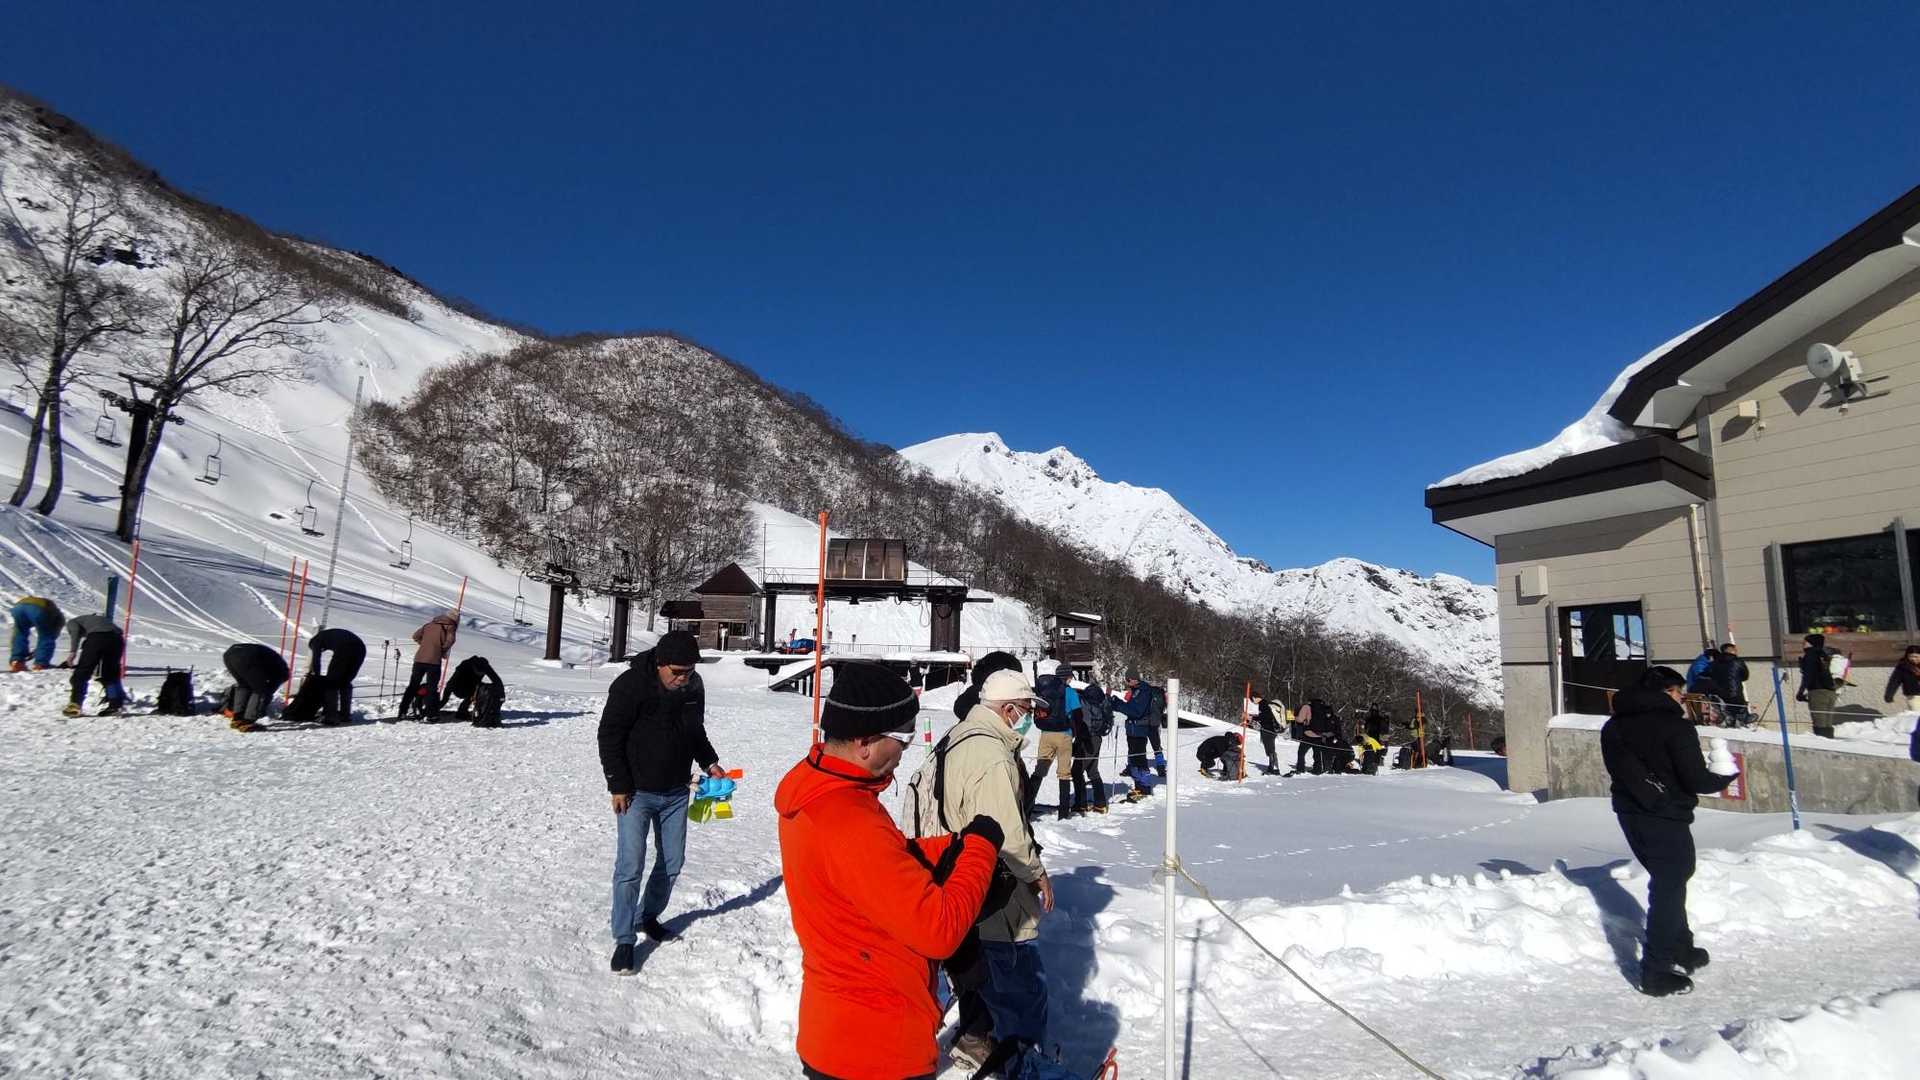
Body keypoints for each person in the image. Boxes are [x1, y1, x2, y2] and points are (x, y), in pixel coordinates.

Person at [776, 662, 1003, 1080]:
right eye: (904, 739)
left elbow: (875, 863)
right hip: (877, 1048)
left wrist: (950, 847)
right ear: (864, 742)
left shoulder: (818, 790)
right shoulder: (849, 820)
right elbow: (939, 930)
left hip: (835, 1031)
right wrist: (981, 849)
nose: (905, 751)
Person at [905, 668, 1054, 1071]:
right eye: (1026, 710)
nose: (1029, 718)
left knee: (976, 966)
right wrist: (1035, 873)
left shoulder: (959, 735)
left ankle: (975, 1037)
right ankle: (1025, 1064)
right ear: (1007, 710)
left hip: (956, 874)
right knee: (1015, 984)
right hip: (990, 882)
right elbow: (1006, 831)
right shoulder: (992, 756)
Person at [1600, 666, 1737, 997]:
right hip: (1666, 814)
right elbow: (1696, 779)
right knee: (1669, 886)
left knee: (1670, 880)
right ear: (1666, 692)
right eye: (1679, 692)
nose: (1682, 698)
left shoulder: (1614, 726)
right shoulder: (1676, 727)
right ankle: (1656, 970)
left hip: (1630, 811)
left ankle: (1681, 948)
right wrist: (1725, 776)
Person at [598, 630, 724, 972]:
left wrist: (710, 763)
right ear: (660, 663)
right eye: (678, 672)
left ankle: (648, 916)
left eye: (690, 671)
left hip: (676, 792)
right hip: (635, 793)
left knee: (672, 862)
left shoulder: (692, 687)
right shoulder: (630, 685)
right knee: (630, 866)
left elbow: (694, 731)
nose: (684, 678)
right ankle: (624, 939)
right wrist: (618, 785)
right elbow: (609, 735)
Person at [1030, 661, 1076, 819]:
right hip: (1064, 734)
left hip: (1046, 734)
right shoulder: (1069, 692)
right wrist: (1076, 733)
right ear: (1067, 677)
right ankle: (1063, 813)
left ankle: (1027, 806)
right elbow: (1077, 714)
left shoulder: (1046, 690)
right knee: (1064, 773)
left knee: (1040, 769)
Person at [62, 612, 127, 717]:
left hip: (97, 638)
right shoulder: (99, 620)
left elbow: (75, 632)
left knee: (82, 672)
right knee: (110, 674)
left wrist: (72, 653)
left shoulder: (72, 622)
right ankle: (115, 706)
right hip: (117, 639)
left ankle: (75, 704)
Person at [1112, 669, 1165, 799]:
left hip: (1140, 729)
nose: (1126, 682)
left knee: (1140, 759)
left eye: (1127, 680)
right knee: (1135, 759)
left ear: (1132, 679)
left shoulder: (1143, 691)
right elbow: (1131, 708)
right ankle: (1139, 786)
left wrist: (1117, 704)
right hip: (1132, 729)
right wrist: (1118, 702)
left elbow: (1136, 712)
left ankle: (1145, 787)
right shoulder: (1136, 691)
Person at [400, 611, 459, 720]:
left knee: (413, 685)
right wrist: (441, 651)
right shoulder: (450, 627)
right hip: (434, 662)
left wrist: (424, 644)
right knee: (432, 688)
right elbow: (450, 641)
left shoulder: (429, 625)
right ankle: (431, 715)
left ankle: (402, 711)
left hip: (419, 659)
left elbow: (415, 636)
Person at [221, 643, 289, 732]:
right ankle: (248, 722)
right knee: (261, 689)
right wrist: (267, 692)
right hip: (248, 657)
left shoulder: (274, 663)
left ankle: (238, 717)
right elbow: (266, 689)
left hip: (230, 655)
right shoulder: (281, 672)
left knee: (244, 685)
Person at [1070, 672, 1112, 814]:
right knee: (1093, 771)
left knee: (1076, 771)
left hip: (1087, 738)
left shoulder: (1083, 701)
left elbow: (1083, 721)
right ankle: (1100, 803)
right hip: (1097, 737)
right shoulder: (1101, 700)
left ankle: (1081, 803)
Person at [306, 626, 366, 725]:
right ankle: (345, 715)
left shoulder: (315, 641)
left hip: (345, 649)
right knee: (345, 682)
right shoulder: (328, 635)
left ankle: (330, 716)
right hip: (360, 649)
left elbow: (316, 659)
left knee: (331, 683)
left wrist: (317, 677)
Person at [1796, 633, 1842, 738]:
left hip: (1818, 692)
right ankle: (1829, 742)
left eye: (1806, 642)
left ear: (1812, 643)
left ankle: (1822, 744)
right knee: (1827, 722)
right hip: (1830, 691)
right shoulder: (1824, 655)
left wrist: (1801, 692)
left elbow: (1808, 675)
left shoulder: (1810, 655)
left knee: (1819, 722)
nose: (1803, 644)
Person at [9, 595, 65, 672]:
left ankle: (17, 662)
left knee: (20, 634)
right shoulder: (58, 617)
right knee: (46, 637)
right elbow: (51, 635)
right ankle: (41, 664)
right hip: (39, 608)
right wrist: (42, 649)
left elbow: (16, 634)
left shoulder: (52, 610)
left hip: (18, 607)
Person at [442, 654, 504, 723]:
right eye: (478, 672)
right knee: (474, 691)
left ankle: (481, 709)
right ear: (474, 668)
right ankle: (462, 711)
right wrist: (443, 701)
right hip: (458, 687)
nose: (480, 674)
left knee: (483, 689)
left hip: (473, 686)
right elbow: (450, 685)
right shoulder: (464, 666)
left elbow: (497, 681)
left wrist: (501, 697)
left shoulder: (485, 666)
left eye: (482, 673)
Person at [1707, 643, 1750, 725]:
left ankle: (1730, 721)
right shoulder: (1738, 661)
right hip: (1735, 693)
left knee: (1727, 711)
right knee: (1739, 710)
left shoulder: (1714, 663)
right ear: (1731, 650)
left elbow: (1711, 676)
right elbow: (1745, 676)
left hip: (1720, 694)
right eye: (1735, 650)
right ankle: (1742, 720)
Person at [1884, 645, 1920, 714]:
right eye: (1911, 656)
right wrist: (1889, 695)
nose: (1913, 659)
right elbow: (1894, 682)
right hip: (1913, 697)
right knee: (1917, 714)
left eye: (1916, 656)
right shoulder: (1902, 667)